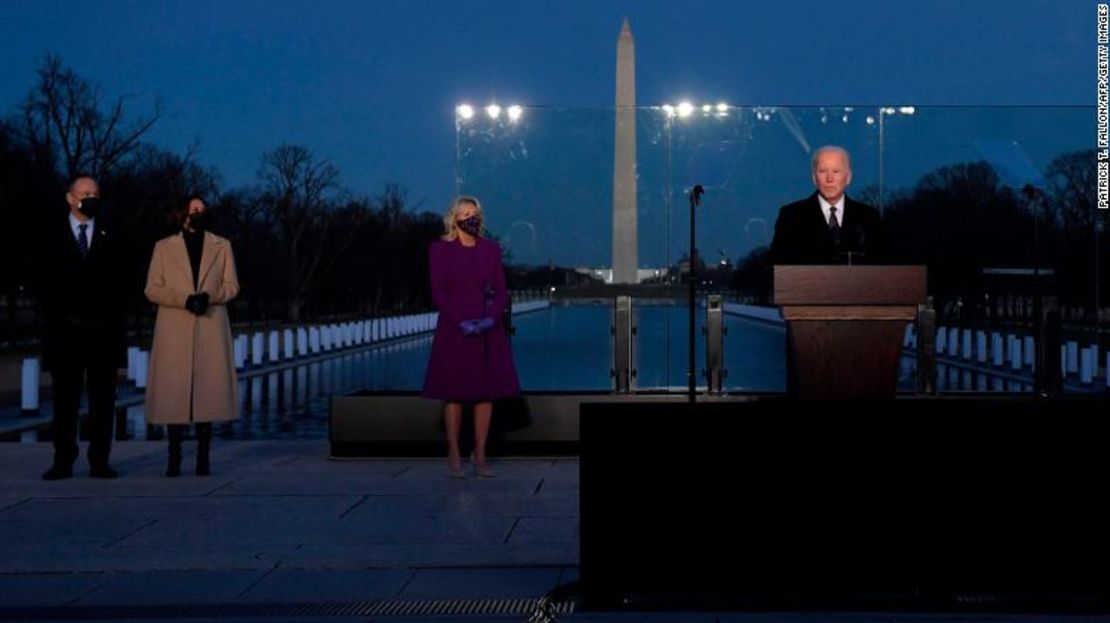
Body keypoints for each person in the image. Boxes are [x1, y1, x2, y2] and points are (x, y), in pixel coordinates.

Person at [38, 174, 130, 480]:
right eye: (85, 192)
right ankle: (63, 460)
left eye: (95, 193)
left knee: (102, 403)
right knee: (65, 402)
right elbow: (45, 289)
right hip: (66, 334)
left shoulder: (112, 235)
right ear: (70, 197)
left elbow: (121, 287)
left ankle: (99, 460)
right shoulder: (50, 235)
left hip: (102, 334)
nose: (91, 197)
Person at [422, 196, 521, 478]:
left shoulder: (491, 249)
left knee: (485, 394)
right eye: (464, 213)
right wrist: (459, 322)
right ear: (454, 219)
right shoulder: (440, 250)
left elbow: (502, 289)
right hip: (455, 328)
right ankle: (453, 451)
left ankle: (480, 454)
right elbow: (438, 292)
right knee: (454, 394)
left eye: (474, 213)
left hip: (487, 328)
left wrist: (492, 318)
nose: (470, 218)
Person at [144, 196, 240, 477]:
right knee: (174, 395)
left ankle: (203, 457)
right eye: (194, 209)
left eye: (202, 209)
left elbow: (232, 285)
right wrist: (184, 299)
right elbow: (152, 288)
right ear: (182, 213)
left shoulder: (222, 246)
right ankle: (173, 458)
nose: (199, 213)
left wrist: (210, 297)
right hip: (175, 325)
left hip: (210, 323)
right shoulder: (163, 247)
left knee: (206, 394)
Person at [769, 146, 884, 265]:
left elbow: (882, 265)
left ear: (848, 177)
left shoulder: (869, 217)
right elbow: (778, 268)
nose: (829, 179)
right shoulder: (791, 216)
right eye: (823, 171)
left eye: (836, 171)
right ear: (814, 178)